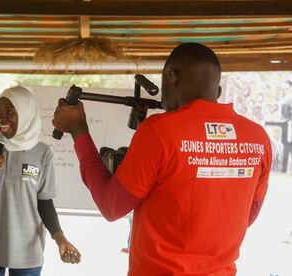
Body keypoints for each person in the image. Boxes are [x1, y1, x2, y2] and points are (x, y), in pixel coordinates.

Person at [52, 42, 272, 275]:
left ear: (171, 76)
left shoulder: (159, 131)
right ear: (216, 91)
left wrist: (78, 131)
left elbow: (112, 206)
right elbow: (246, 218)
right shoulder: (258, 138)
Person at [0, 86, 81, 276]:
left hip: (27, 253)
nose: (1, 118)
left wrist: (60, 238)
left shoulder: (42, 153)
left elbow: (44, 203)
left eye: (9, 112)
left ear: (26, 113)